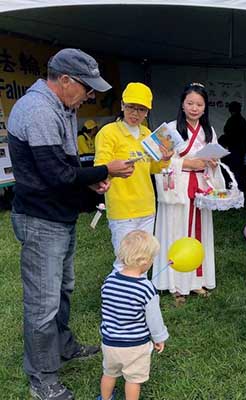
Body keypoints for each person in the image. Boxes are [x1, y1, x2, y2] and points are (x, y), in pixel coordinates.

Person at [7, 48, 134, 400]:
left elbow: (66, 169)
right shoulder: (36, 110)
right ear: (64, 81)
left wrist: (90, 183)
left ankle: (62, 345)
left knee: (63, 289)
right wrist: (105, 171)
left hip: (58, 216)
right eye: (87, 88)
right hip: (39, 219)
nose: (90, 95)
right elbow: (56, 174)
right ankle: (43, 378)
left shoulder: (62, 108)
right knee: (42, 303)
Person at [152, 82, 223, 306]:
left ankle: (195, 281)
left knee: (198, 234)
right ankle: (175, 284)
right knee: (176, 232)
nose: (194, 108)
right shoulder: (170, 129)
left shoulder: (209, 131)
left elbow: (214, 159)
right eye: (190, 103)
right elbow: (159, 161)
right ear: (182, 105)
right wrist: (188, 162)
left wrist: (212, 162)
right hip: (178, 188)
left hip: (200, 188)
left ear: (205, 108)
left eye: (199, 104)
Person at [95, 82, 173, 272]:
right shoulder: (108, 132)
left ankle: (140, 299)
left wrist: (165, 158)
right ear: (122, 105)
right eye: (131, 107)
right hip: (122, 207)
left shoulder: (149, 134)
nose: (135, 113)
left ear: (147, 112)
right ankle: (118, 300)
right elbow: (100, 169)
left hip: (146, 206)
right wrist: (114, 170)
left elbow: (154, 167)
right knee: (125, 260)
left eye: (141, 109)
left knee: (144, 260)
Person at [97, 230, 169, 400]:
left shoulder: (109, 280)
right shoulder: (146, 288)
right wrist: (159, 338)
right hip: (134, 346)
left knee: (109, 374)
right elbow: (154, 319)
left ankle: (104, 398)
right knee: (133, 380)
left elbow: (107, 308)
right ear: (145, 261)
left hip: (109, 343)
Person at [219, 101, 246, 191]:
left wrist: (224, 141)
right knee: (238, 170)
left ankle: (235, 188)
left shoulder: (233, 120)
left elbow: (228, 134)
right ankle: (239, 188)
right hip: (240, 149)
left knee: (233, 170)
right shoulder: (242, 120)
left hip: (234, 149)